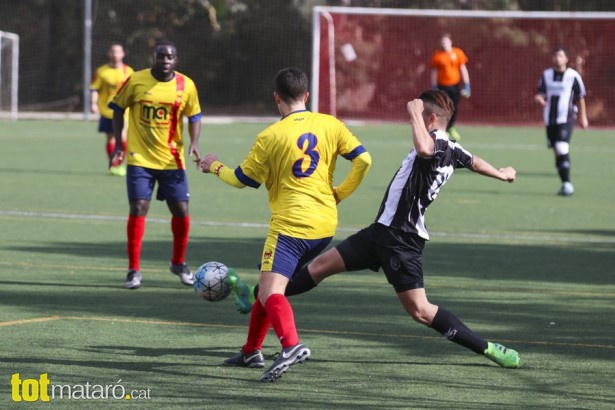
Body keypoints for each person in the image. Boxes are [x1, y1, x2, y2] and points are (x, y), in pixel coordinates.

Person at [241, 90, 520, 370]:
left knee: (420, 311)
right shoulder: (454, 149)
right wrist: (501, 172)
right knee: (318, 268)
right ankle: (263, 294)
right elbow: (474, 162)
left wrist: (414, 112)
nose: (414, 121)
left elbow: (424, 149)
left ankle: (487, 348)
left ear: (432, 119)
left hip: (401, 241)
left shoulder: (435, 142)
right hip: (379, 233)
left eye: (422, 117)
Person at [198, 67, 372, 382]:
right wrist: (340, 194)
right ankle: (251, 351)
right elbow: (364, 160)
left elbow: (241, 180)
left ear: (276, 98)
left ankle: (291, 345)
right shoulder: (330, 124)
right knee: (267, 288)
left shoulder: (270, 135)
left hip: (291, 226)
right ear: (306, 95)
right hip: (325, 224)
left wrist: (214, 166)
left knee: (269, 292)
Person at [108, 40, 202, 289]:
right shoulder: (136, 80)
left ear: (176, 60)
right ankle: (133, 270)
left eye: (170, 57)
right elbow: (117, 108)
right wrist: (119, 143)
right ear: (154, 57)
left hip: (172, 159)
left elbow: (194, 116)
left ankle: (178, 263)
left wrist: (194, 142)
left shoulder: (186, 85)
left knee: (181, 210)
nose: (165, 60)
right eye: (161, 56)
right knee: (139, 207)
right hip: (140, 158)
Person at [535, 46, 588, 196]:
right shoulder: (546, 75)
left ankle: (567, 184)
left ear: (566, 59)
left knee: (561, 146)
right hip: (550, 119)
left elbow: (580, 98)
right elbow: (540, 93)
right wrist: (539, 99)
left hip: (567, 117)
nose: (557, 58)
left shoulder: (573, 76)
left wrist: (583, 117)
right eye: (555, 56)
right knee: (556, 151)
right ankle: (563, 177)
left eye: (560, 56)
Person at [90, 43, 134, 176]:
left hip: (123, 111)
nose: (115, 55)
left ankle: (120, 164)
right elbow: (94, 89)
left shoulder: (129, 72)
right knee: (111, 138)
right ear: (109, 54)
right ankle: (113, 164)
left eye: (118, 52)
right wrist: (93, 104)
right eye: (113, 52)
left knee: (122, 136)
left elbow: (133, 91)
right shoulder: (102, 71)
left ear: (123, 54)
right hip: (107, 111)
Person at [430, 33, 470, 142]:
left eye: (446, 41)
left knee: (454, 107)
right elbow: (434, 72)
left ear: (450, 42)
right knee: (443, 108)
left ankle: (450, 127)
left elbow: (463, 69)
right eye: (443, 42)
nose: (445, 44)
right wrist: (434, 86)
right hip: (442, 86)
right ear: (440, 43)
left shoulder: (458, 53)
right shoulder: (437, 55)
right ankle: (442, 130)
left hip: (455, 86)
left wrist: (467, 85)